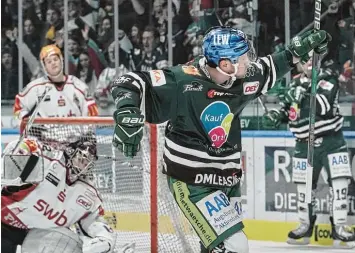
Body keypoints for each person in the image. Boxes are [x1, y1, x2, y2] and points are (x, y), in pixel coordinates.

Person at [109, 26, 331, 252]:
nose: (249, 61)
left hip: (228, 180)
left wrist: (298, 52)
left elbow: (276, 63)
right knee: (235, 245)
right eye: (243, 57)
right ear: (226, 64)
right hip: (192, 180)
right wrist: (126, 110)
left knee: (214, 248)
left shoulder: (245, 77)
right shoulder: (182, 80)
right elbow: (127, 81)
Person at [262, 55, 355, 248]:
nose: (310, 63)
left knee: (339, 184)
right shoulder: (294, 84)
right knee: (304, 187)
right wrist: (277, 115)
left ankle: (339, 227)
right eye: (305, 60)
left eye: (313, 60)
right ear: (300, 64)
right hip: (304, 144)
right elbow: (290, 111)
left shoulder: (328, 80)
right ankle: (305, 226)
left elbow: (325, 107)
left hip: (331, 140)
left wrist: (303, 94)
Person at [1, 138, 115, 253]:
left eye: (87, 163)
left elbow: (95, 221)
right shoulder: (48, 163)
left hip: (37, 237)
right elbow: (27, 145)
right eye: (81, 158)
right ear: (70, 152)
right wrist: (20, 154)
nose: (83, 165)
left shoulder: (87, 193)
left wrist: (104, 238)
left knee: (65, 243)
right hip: (4, 224)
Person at [13, 44, 99, 130]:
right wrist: (27, 124)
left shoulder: (78, 86)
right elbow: (19, 106)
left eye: (55, 59)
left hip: (74, 140)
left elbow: (92, 110)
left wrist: (87, 133)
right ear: (44, 66)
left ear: (61, 60)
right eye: (49, 61)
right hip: (44, 141)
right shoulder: (35, 88)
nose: (53, 63)